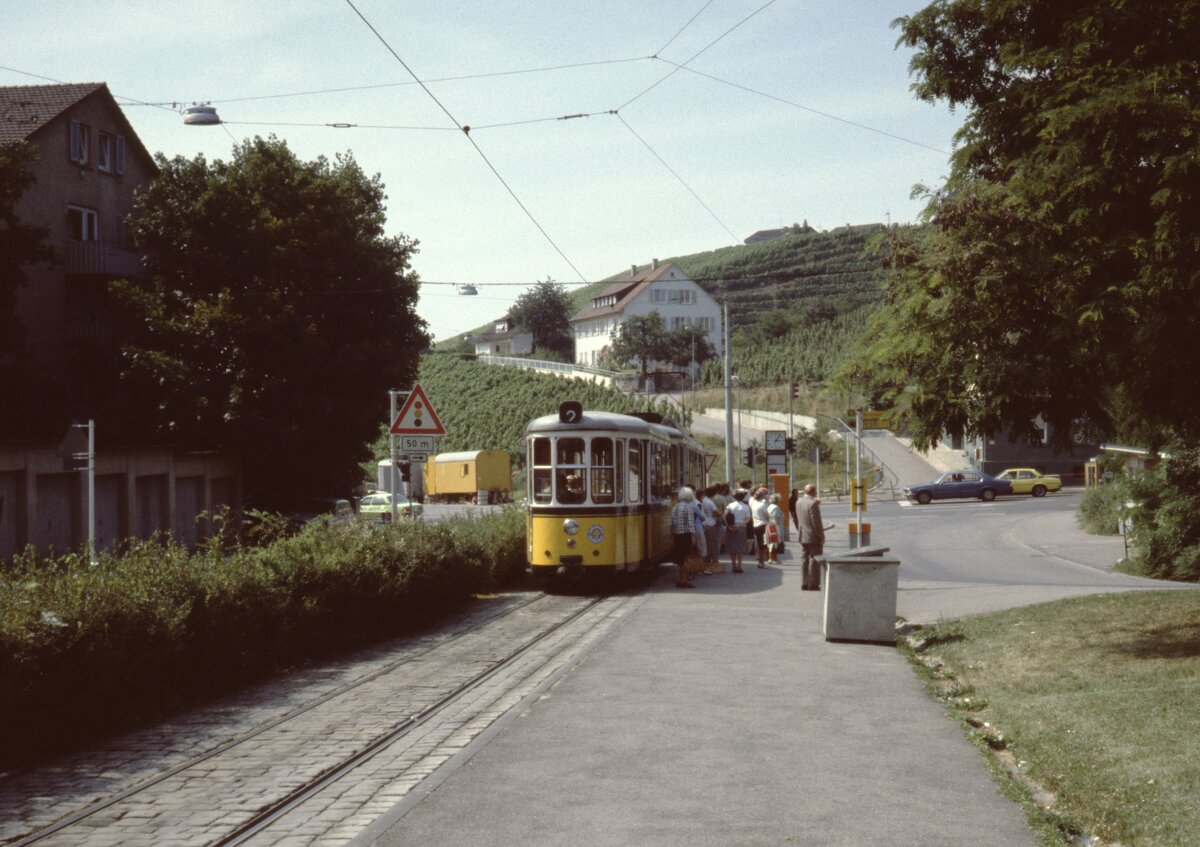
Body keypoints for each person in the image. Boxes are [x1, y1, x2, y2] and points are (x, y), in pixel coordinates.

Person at [798, 483, 826, 590]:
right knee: (814, 559)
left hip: (802, 535)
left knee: (804, 558)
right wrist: (822, 536)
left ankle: (804, 582)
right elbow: (816, 523)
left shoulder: (798, 502)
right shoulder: (813, 504)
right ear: (814, 492)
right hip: (812, 536)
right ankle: (813, 584)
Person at [670, 487, 698, 588]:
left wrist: (672, 536)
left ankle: (679, 579)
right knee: (686, 559)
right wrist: (693, 536)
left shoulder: (675, 507)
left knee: (679, 560)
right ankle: (685, 580)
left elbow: (672, 523)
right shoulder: (689, 507)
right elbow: (691, 523)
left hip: (677, 535)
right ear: (689, 496)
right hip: (686, 535)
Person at [724, 489, 751, 573]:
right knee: (740, 548)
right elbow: (748, 519)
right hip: (741, 528)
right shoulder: (746, 506)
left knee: (732, 548)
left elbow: (724, 516)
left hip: (731, 527)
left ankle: (734, 566)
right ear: (743, 497)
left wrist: (728, 525)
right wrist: (740, 525)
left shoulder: (730, 505)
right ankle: (739, 566)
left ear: (735, 497)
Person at [749, 486, 771, 568]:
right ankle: (763, 560)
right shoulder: (762, 505)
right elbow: (767, 516)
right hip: (763, 525)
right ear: (762, 496)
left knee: (758, 543)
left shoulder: (753, 504)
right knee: (764, 543)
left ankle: (760, 560)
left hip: (755, 525)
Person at [700, 486, 720, 566]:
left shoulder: (703, 500)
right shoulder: (710, 502)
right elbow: (718, 512)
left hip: (703, 523)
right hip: (710, 523)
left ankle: (706, 558)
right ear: (714, 493)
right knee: (712, 543)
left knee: (706, 542)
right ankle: (713, 559)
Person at [765, 493, 785, 564]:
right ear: (778, 500)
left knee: (770, 543)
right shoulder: (775, 508)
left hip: (770, 526)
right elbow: (775, 518)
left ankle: (772, 558)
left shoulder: (769, 506)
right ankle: (773, 558)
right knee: (774, 543)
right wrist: (776, 530)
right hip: (776, 527)